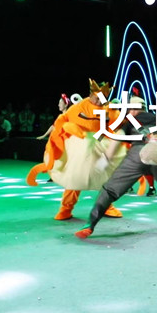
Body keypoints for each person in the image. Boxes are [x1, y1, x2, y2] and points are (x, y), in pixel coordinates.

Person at [74, 96, 157, 238]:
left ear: (131, 110)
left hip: (137, 156)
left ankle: (89, 225)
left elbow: (114, 144)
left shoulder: (128, 123)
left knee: (109, 191)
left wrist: (103, 162)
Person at [26, 82, 125, 220]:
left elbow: (121, 122)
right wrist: (67, 129)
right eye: (97, 98)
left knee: (104, 178)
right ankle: (66, 209)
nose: (99, 101)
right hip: (79, 147)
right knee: (74, 177)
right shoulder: (79, 107)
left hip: (100, 147)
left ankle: (107, 207)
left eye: (103, 98)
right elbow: (62, 120)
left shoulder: (109, 109)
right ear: (91, 95)